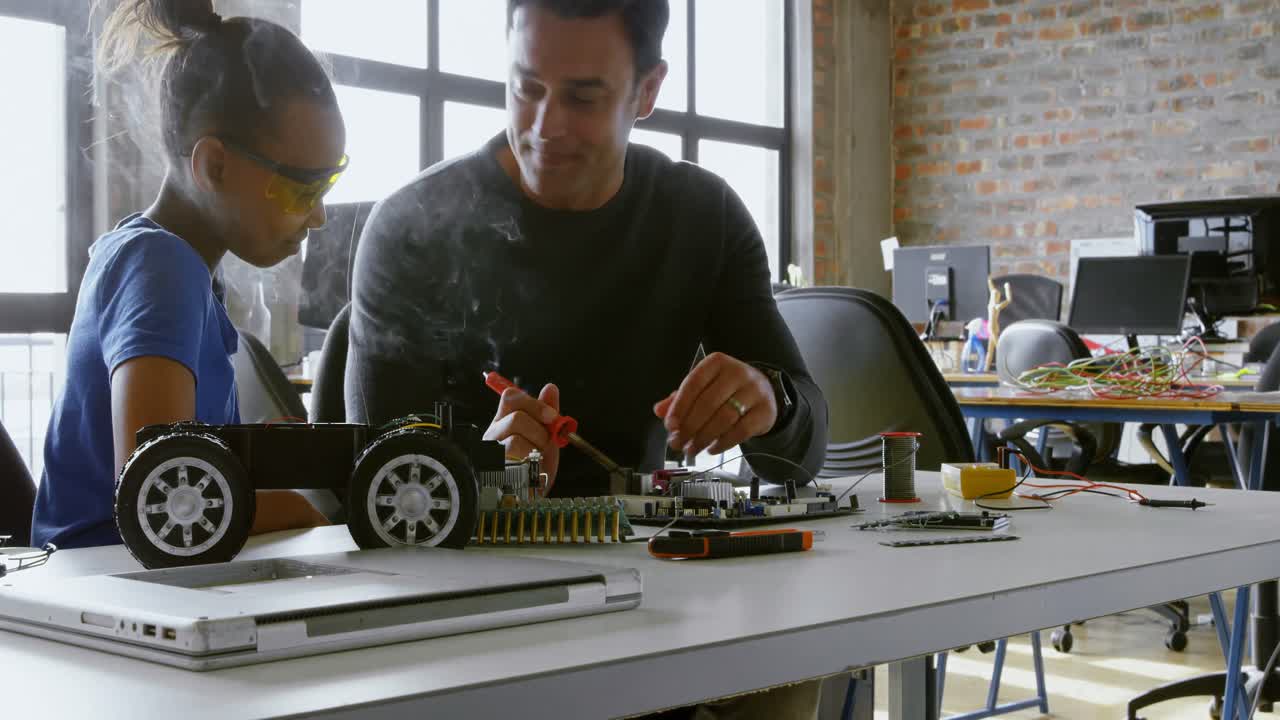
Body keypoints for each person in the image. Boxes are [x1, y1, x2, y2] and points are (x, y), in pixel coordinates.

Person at [347, 2, 828, 715]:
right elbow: (368, 489)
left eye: (583, 97)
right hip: (468, 615)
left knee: (795, 658)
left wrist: (770, 401)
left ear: (648, 91)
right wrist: (484, 478)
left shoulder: (703, 219)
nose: (545, 127)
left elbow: (804, 452)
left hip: (653, 597)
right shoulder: (412, 229)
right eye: (526, 88)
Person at [31, 0, 347, 549]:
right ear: (213, 166)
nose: (318, 215)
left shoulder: (177, 270)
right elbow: (159, 493)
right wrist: (297, 510)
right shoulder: (161, 268)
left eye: (329, 184)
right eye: (303, 189)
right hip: (104, 574)